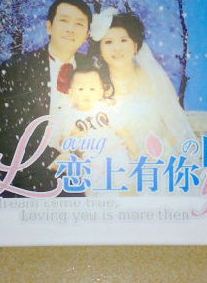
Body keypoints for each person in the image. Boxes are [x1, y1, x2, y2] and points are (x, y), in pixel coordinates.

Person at [0, 0, 92, 198]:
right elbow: (5, 130)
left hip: (72, 176)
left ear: (86, 34)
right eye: (64, 20)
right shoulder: (17, 68)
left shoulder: (93, 70)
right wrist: (53, 159)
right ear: (49, 26)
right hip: (15, 174)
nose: (71, 29)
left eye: (79, 24)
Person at [90, 10, 196, 161]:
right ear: (100, 49)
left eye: (123, 40)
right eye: (108, 42)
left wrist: (158, 152)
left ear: (135, 45)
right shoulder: (94, 84)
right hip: (112, 161)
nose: (117, 48)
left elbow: (173, 124)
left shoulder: (152, 77)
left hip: (157, 157)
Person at [48, 62, 139, 194]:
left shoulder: (106, 109)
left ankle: (129, 197)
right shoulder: (69, 115)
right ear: (71, 93)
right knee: (94, 187)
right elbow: (64, 142)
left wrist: (137, 152)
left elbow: (122, 131)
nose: (87, 94)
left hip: (114, 152)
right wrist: (72, 137)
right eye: (81, 89)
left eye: (92, 89)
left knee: (124, 181)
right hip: (89, 159)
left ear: (101, 92)